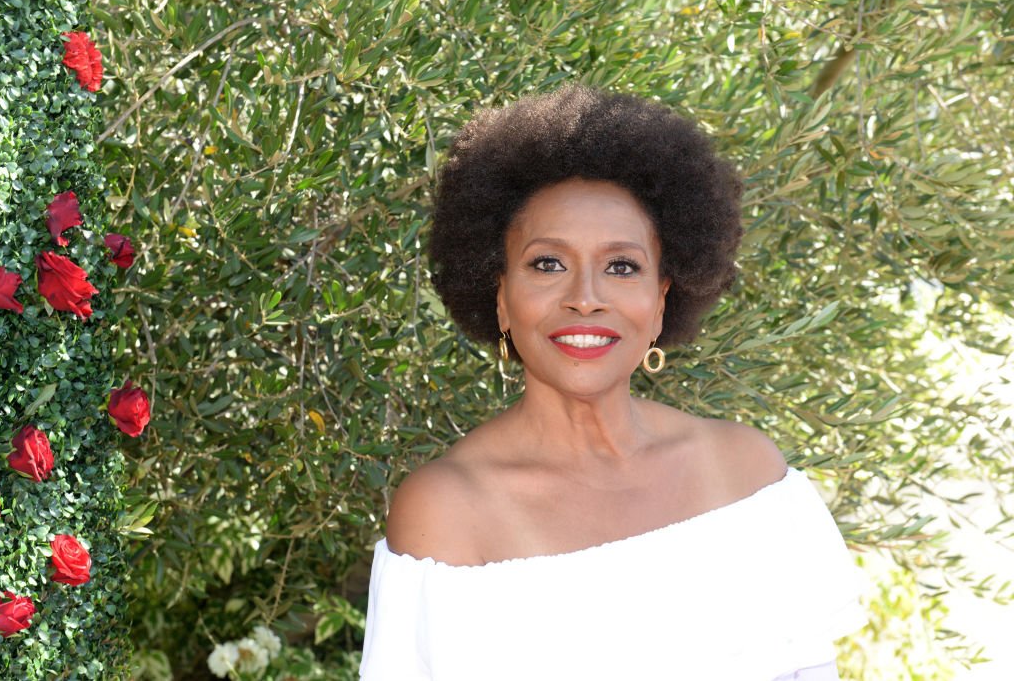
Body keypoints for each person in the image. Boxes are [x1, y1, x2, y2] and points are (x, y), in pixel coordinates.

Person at [359, 84, 868, 680]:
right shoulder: (448, 512)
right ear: (499, 297)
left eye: (621, 266)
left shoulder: (746, 474)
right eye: (548, 264)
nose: (584, 298)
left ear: (660, 302)